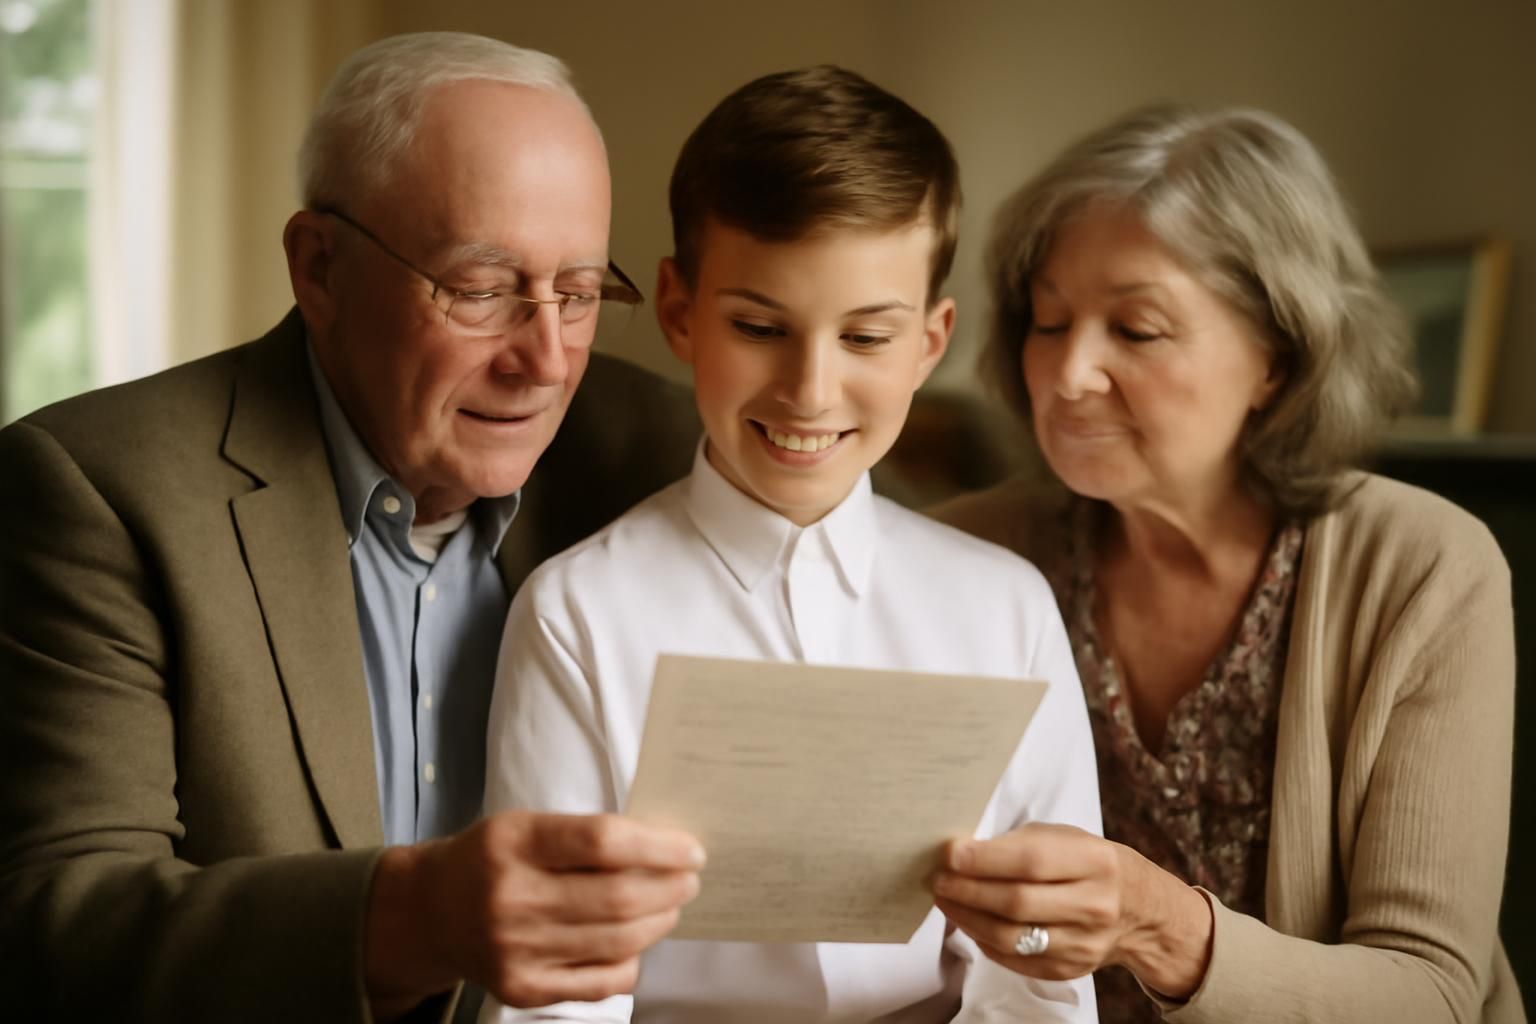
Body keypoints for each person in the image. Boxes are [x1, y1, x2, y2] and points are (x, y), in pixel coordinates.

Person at [0, 32, 708, 1023]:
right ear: (319, 266)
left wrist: (1009, 888)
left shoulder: (665, 454)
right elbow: (58, 927)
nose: (546, 359)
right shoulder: (100, 489)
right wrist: (417, 917)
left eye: (581, 293)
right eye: (481, 289)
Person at [481, 65, 1103, 1024]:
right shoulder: (578, 617)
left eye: (865, 338)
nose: (810, 391)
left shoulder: (1006, 609)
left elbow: (1040, 974)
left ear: (930, 342)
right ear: (682, 313)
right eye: (761, 326)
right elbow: (556, 1003)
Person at [929, 104, 1523, 1023]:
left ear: (1276, 359)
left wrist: (1159, 925)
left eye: (1137, 329)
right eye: (1049, 321)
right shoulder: (967, 552)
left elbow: (1435, 994)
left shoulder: (1421, 569)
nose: (1070, 371)